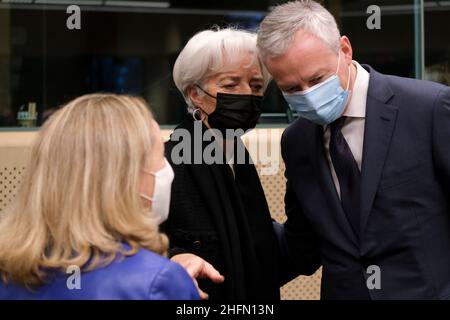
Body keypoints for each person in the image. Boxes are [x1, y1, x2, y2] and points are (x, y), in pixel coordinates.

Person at [257, 0, 450, 299]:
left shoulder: (430, 109)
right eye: (292, 89)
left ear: (345, 50)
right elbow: (302, 245)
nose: (308, 95)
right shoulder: (296, 141)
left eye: (317, 79)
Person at [0, 94, 199, 300]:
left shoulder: (8, 270)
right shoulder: (158, 284)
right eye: (161, 156)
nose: (167, 170)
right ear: (124, 178)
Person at [164, 28, 281, 300]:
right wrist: (175, 258)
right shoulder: (167, 166)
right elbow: (136, 251)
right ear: (195, 94)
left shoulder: (239, 160)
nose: (247, 95)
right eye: (230, 85)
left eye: (256, 86)